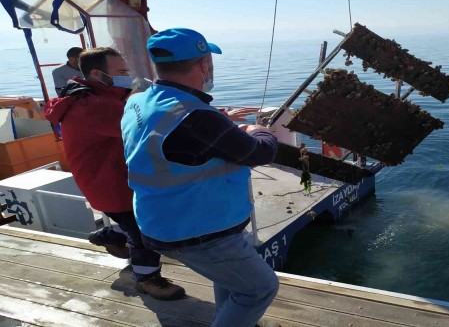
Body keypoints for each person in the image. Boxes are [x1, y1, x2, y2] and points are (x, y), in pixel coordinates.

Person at [121, 28, 279, 327]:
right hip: (200, 232)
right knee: (259, 289)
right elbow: (258, 153)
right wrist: (260, 131)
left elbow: (174, 134)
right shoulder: (196, 118)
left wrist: (220, 122)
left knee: (234, 283)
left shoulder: (138, 100)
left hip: (160, 220)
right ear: (204, 64)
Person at [44, 47, 185, 301]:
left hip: (109, 178)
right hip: (109, 181)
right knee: (145, 230)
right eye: (121, 71)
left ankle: (107, 235)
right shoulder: (94, 105)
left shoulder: (96, 95)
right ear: (98, 74)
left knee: (136, 222)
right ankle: (147, 279)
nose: (128, 76)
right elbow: (146, 125)